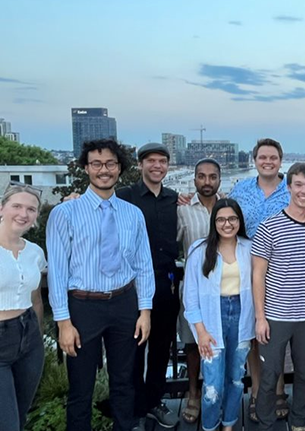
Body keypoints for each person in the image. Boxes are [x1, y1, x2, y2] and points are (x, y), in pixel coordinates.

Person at [47, 139, 154, 431]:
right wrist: (63, 323)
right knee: (81, 388)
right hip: (83, 307)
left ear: (119, 168)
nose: (103, 170)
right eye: (96, 163)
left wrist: (144, 311)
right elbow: (57, 271)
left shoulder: (133, 215)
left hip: (124, 304)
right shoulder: (64, 214)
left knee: (124, 382)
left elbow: (143, 266)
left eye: (110, 164)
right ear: (86, 168)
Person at [252, 162, 305, 431]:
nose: (304, 191)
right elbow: (258, 274)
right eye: (298, 184)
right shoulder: (269, 227)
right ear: (288, 186)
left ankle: (298, 421)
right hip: (276, 315)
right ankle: (266, 422)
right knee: (270, 375)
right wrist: (260, 317)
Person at [116, 142, 180, 429]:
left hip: (164, 284)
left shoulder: (173, 198)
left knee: (160, 348)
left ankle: (153, 402)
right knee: (132, 351)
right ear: (141, 165)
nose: (157, 166)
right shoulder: (124, 196)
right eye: (151, 161)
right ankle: (131, 409)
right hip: (132, 287)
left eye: (162, 161)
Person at [229, 138, 290, 421]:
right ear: (254, 159)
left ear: (280, 159)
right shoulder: (240, 189)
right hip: (248, 270)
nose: (268, 161)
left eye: (273, 157)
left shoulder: (292, 189)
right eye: (262, 157)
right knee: (254, 333)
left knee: (276, 335)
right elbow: (225, 220)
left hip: (284, 272)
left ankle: (277, 389)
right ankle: (256, 393)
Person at [183, 198, 255, 431]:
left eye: (232, 218)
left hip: (242, 317)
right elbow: (190, 296)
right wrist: (201, 332)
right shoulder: (199, 251)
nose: (227, 224)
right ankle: (210, 425)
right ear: (214, 222)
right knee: (213, 383)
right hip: (212, 319)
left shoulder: (250, 248)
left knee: (236, 378)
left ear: (239, 221)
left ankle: (229, 424)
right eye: (221, 219)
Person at [176, 158, 222, 424]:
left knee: (223, 343)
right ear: (194, 179)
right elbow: (170, 245)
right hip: (193, 289)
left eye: (212, 177)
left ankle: (218, 393)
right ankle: (194, 393)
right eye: (202, 176)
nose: (207, 182)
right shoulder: (181, 211)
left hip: (225, 289)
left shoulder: (228, 207)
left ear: (219, 179)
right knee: (192, 344)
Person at [0, 184, 47, 431]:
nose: (23, 214)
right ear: (1, 208)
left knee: (20, 416)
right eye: (16, 206)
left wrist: (36, 334)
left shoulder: (34, 252)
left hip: (28, 337)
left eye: (31, 209)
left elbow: (36, 297)